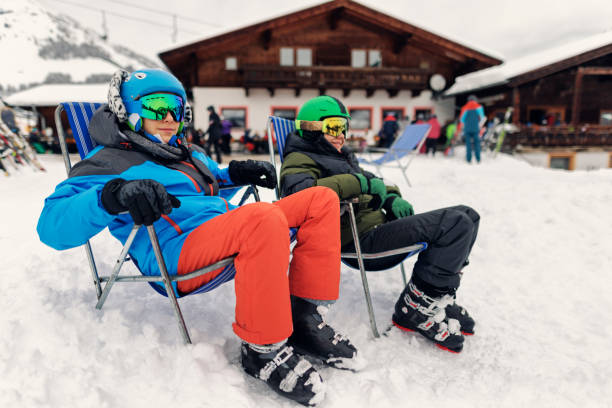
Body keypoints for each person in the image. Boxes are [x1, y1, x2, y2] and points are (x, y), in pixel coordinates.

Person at [36, 70, 360, 407]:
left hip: (225, 229)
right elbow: (51, 226)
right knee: (262, 218)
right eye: (156, 106)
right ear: (127, 109)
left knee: (321, 200)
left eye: (176, 108)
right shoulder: (106, 163)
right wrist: (112, 196)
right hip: (176, 250)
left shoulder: (184, 151)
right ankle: (262, 350)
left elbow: (207, 181)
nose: (168, 118)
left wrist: (233, 174)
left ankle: (302, 316)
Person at [280, 95, 480, 354]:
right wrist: (359, 184)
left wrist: (392, 196)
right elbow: (300, 194)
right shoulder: (300, 158)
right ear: (311, 128)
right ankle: (416, 309)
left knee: (468, 215)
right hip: (358, 238)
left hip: (377, 225)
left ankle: (435, 294)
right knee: (455, 224)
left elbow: (376, 180)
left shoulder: (339, 155)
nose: (341, 135)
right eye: (333, 127)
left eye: (344, 127)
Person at [458, 95, 486, 163]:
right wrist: (479, 125)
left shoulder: (464, 108)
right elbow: (483, 118)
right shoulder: (479, 107)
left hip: (467, 129)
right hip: (476, 129)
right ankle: (478, 159)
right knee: (477, 144)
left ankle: (468, 159)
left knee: (468, 144)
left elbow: (461, 120)